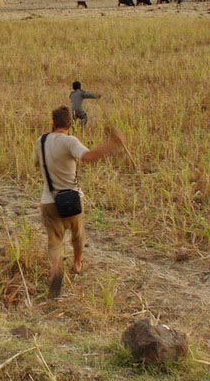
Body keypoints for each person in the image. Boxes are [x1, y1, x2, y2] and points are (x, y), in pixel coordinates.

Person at [34, 106, 124, 297]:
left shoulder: (40, 141)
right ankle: (77, 264)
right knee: (78, 235)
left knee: (55, 241)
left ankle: (55, 272)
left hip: (49, 200)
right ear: (69, 124)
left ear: (53, 122)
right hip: (72, 199)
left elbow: (36, 164)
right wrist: (113, 143)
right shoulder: (69, 141)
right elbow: (88, 157)